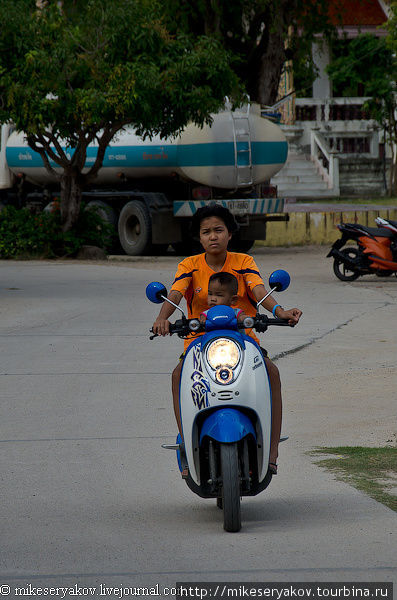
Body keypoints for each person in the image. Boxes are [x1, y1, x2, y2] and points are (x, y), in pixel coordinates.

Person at [152, 203, 302, 474]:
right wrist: (162, 318)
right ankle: (187, 442)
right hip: (199, 341)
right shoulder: (189, 265)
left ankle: (272, 449)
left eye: (219, 230)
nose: (213, 236)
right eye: (206, 231)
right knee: (177, 376)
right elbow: (175, 294)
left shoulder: (243, 261)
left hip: (242, 338)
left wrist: (280, 311)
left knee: (272, 373)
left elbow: (258, 290)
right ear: (199, 237)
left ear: (229, 234)